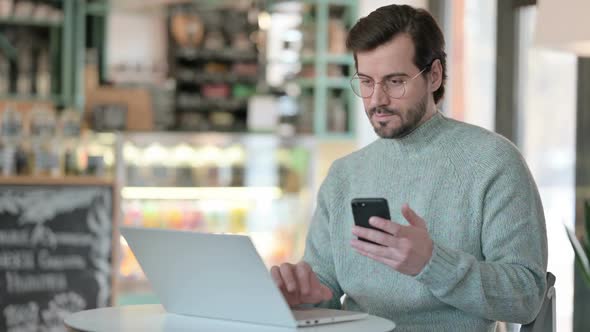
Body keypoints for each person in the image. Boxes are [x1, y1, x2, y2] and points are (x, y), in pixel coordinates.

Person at [270, 4, 548, 332]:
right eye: (366, 81)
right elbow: (325, 291)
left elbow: (526, 296)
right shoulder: (344, 175)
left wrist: (432, 263)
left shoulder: (493, 162)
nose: (376, 99)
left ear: (434, 75)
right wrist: (304, 296)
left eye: (395, 81)